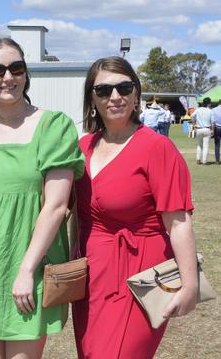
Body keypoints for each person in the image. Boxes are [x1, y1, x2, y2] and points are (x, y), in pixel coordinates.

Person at [0, 38, 84, 359]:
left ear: (26, 75)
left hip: (30, 265)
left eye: (16, 68)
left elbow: (55, 207)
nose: (7, 77)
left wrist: (26, 270)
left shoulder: (54, 126)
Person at [73, 56, 198, 358]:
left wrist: (190, 284)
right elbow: (67, 211)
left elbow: (178, 222)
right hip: (92, 276)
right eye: (103, 90)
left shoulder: (157, 148)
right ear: (92, 98)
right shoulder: (82, 148)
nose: (114, 97)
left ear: (137, 94)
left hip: (143, 275)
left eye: (124, 87)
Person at [192, 97, 213, 165]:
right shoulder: (210, 111)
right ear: (208, 104)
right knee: (206, 146)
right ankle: (204, 161)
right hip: (207, 129)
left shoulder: (198, 110)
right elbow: (213, 122)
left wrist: (194, 125)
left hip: (199, 129)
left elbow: (192, 116)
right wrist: (212, 130)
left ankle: (198, 159)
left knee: (199, 145)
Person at [212, 99, 221, 164]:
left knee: (217, 145)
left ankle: (217, 160)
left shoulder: (213, 110)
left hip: (216, 128)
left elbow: (212, 121)